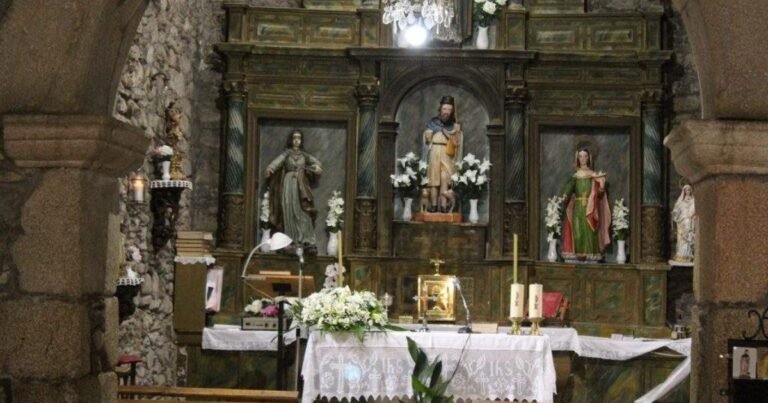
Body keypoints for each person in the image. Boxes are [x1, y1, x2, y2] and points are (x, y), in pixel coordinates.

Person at [265, 130, 322, 255]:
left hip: (301, 185)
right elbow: (276, 162)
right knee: (289, 211)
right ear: (291, 140)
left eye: (299, 138)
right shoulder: (286, 154)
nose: (296, 140)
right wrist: (270, 168)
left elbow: (317, 163)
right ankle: (290, 240)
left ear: (301, 141)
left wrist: (317, 167)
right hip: (288, 185)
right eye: (294, 138)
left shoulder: (304, 155)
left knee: (303, 211)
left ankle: (306, 239)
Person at [561, 148, 611, 262]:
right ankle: (578, 256)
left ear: (589, 158)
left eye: (585, 156)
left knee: (590, 232)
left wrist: (602, 185)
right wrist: (564, 195)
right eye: (580, 156)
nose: (583, 159)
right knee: (577, 232)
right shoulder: (575, 176)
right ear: (577, 158)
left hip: (591, 207)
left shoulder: (593, 175)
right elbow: (569, 188)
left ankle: (591, 257)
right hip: (578, 208)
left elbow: (599, 195)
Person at [422, 95, 463, 213]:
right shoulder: (433, 122)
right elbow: (427, 139)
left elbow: (457, 143)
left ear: (452, 111)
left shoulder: (454, 125)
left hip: (447, 152)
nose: (447, 112)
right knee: (434, 179)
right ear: (440, 109)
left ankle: (444, 205)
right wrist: (428, 134)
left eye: (449, 110)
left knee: (445, 177)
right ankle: (434, 205)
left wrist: (456, 132)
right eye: (445, 109)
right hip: (435, 150)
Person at [671, 184, 695, 263]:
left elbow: (695, 210)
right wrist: (674, 213)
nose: (688, 191)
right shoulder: (680, 201)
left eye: (689, 189)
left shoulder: (693, 200)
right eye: (686, 190)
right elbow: (676, 210)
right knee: (682, 238)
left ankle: (689, 254)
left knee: (689, 236)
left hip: (690, 221)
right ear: (684, 191)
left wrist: (692, 215)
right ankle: (681, 254)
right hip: (682, 221)